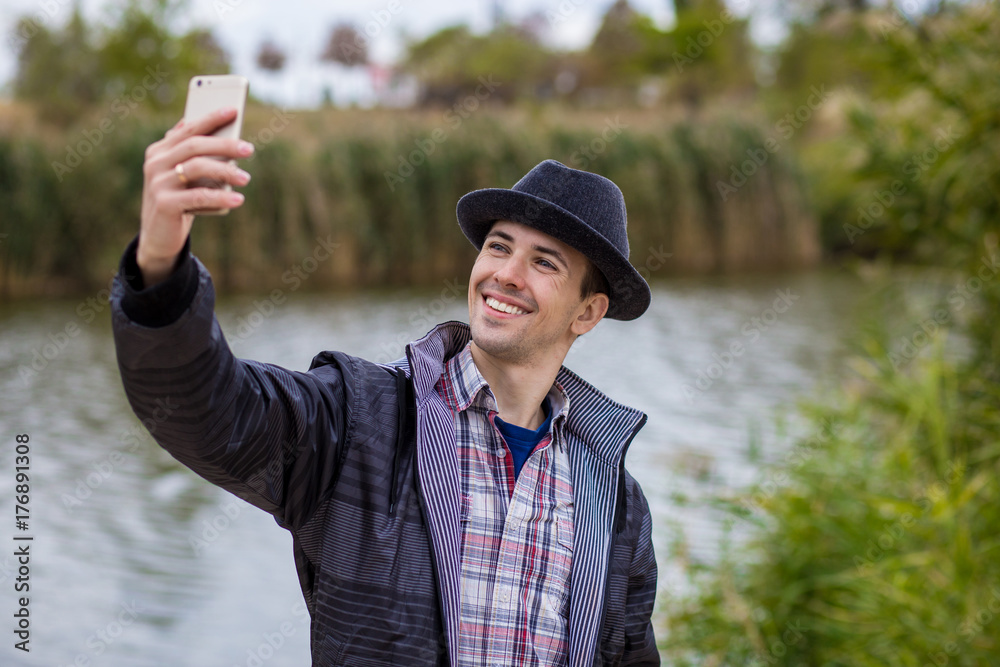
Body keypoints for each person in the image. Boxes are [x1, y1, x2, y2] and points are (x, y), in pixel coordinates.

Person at [111, 107, 659, 666]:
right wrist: (159, 263)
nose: (506, 273)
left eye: (544, 262)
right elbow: (205, 410)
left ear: (588, 313)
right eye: (498, 246)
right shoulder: (357, 420)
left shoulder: (615, 502)